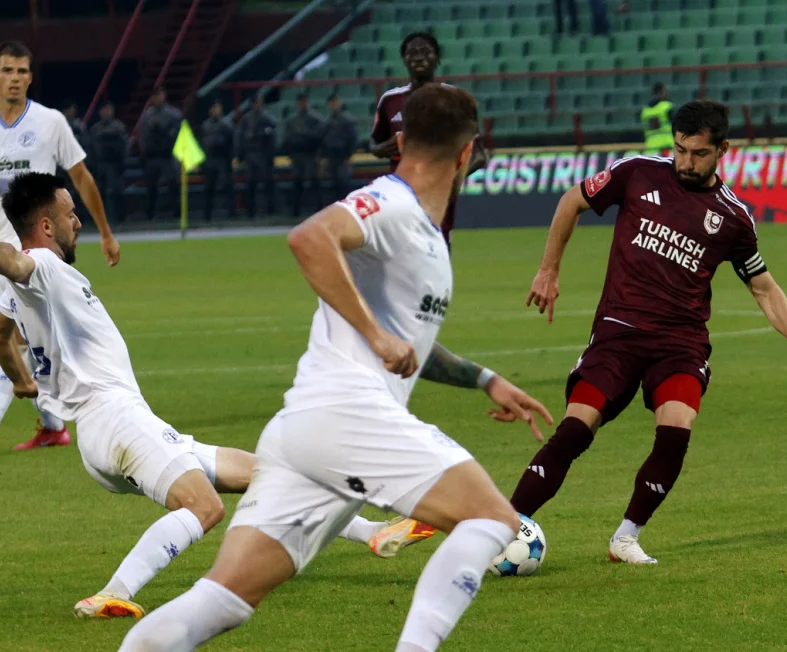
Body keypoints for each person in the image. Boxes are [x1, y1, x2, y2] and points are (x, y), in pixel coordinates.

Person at [118, 83, 555, 652]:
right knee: (492, 520)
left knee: (220, 600)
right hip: (349, 415)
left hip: (306, 434)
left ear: (400, 139)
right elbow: (310, 237)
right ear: (469, 153)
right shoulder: (391, 203)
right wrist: (375, 337)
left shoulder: (421, 230)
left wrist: (484, 378)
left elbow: (408, 342)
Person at [513, 100, 787, 565]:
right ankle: (503, 526)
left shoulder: (733, 218)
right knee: (574, 430)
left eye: (698, 154)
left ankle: (625, 538)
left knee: (675, 432)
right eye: (680, 150)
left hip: (680, 343)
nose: (686, 162)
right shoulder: (636, 173)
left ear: (723, 150)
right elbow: (572, 201)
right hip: (619, 331)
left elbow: (763, 288)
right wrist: (548, 270)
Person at [0, 172, 256, 619]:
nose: (78, 222)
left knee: (265, 474)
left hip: (103, 433)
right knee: (203, 506)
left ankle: (373, 530)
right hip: (116, 419)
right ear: (44, 226)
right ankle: (112, 592)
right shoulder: (46, 267)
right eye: (70, 214)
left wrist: (21, 382)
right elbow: (17, 264)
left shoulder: (25, 291)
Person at [0, 40, 120, 452]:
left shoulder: (50, 121)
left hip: (38, 245)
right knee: (27, 335)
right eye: (8, 71)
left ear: (30, 77)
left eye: (22, 71)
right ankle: (52, 426)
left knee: (13, 334)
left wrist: (106, 232)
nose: (15, 79)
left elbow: (82, 177)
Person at [371, 31, 489, 248]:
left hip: (438, 194)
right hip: (400, 193)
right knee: (401, 255)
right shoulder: (390, 100)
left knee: (437, 252)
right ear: (404, 60)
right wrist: (383, 149)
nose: (419, 57)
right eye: (412, 53)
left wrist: (449, 178)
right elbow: (374, 145)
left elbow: (480, 154)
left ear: (437, 57)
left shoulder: (455, 99)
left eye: (426, 52)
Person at [139, 87, 182, 221]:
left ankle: (177, 213)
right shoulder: (147, 115)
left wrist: (162, 129)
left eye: (159, 95)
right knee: (151, 186)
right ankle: (150, 214)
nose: (156, 98)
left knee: (173, 184)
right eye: (154, 96)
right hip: (152, 156)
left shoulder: (173, 114)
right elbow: (143, 135)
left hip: (167, 155)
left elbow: (176, 133)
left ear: (164, 95)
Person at [237, 94, 278, 218]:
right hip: (250, 155)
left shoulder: (267, 118)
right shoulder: (245, 119)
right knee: (250, 184)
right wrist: (240, 154)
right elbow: (240, 137)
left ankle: (270, 210)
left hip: (263, 155)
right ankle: (250, 211)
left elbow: (272, 137)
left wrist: (271, 156)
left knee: (268, 183)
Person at [284, 93, 323, 216]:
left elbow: (318, 136)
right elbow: (288, 138)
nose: (302, 104)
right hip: (298, 155)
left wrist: (303, 134)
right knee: (297, 182)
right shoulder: (292, 120)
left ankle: (318, 209)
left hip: (311, 154)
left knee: (314, 182)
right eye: (300, 102)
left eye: (304, 101)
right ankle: (296, 211)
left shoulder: (315, 119)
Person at [89, 101, 128, 223]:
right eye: (104, 110)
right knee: (99, 193)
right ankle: (100, 220)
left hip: (115, 164)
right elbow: (91, 148)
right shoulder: (95, 129)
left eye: (109, 109)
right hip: (100, 164)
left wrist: (123, 163)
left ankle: (119, 219)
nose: (107, 112)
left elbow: (125, 146)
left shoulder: (119, 127)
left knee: (116, 192)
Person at [200, 99, 236, 222]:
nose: (217, 110)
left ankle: (232, 213)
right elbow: (203, 144)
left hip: (223, 160)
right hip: (210, 160)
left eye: (219, 108)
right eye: (215, 108)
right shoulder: (205, 125)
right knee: (209, 188)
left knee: (227, 186)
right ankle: (207, 215)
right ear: (210, 110)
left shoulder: (227, 124)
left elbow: (232, 141)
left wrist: (232, 157)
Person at [321, 92, 359, 203]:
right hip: (331, 156)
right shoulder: (328, 121)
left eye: (335, 102)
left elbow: (353, 139)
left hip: (343, 155)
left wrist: (349, 155)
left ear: (339, 103)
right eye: (331, 103)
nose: (333, 105)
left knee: (343, 183)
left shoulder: (347, 120)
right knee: (334, 183)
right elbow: (324, 139)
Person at [642, 82, 674, 153]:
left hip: (651, 148)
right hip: (666, 147)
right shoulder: (666, 107)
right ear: (662, 92)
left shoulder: (645, 110)